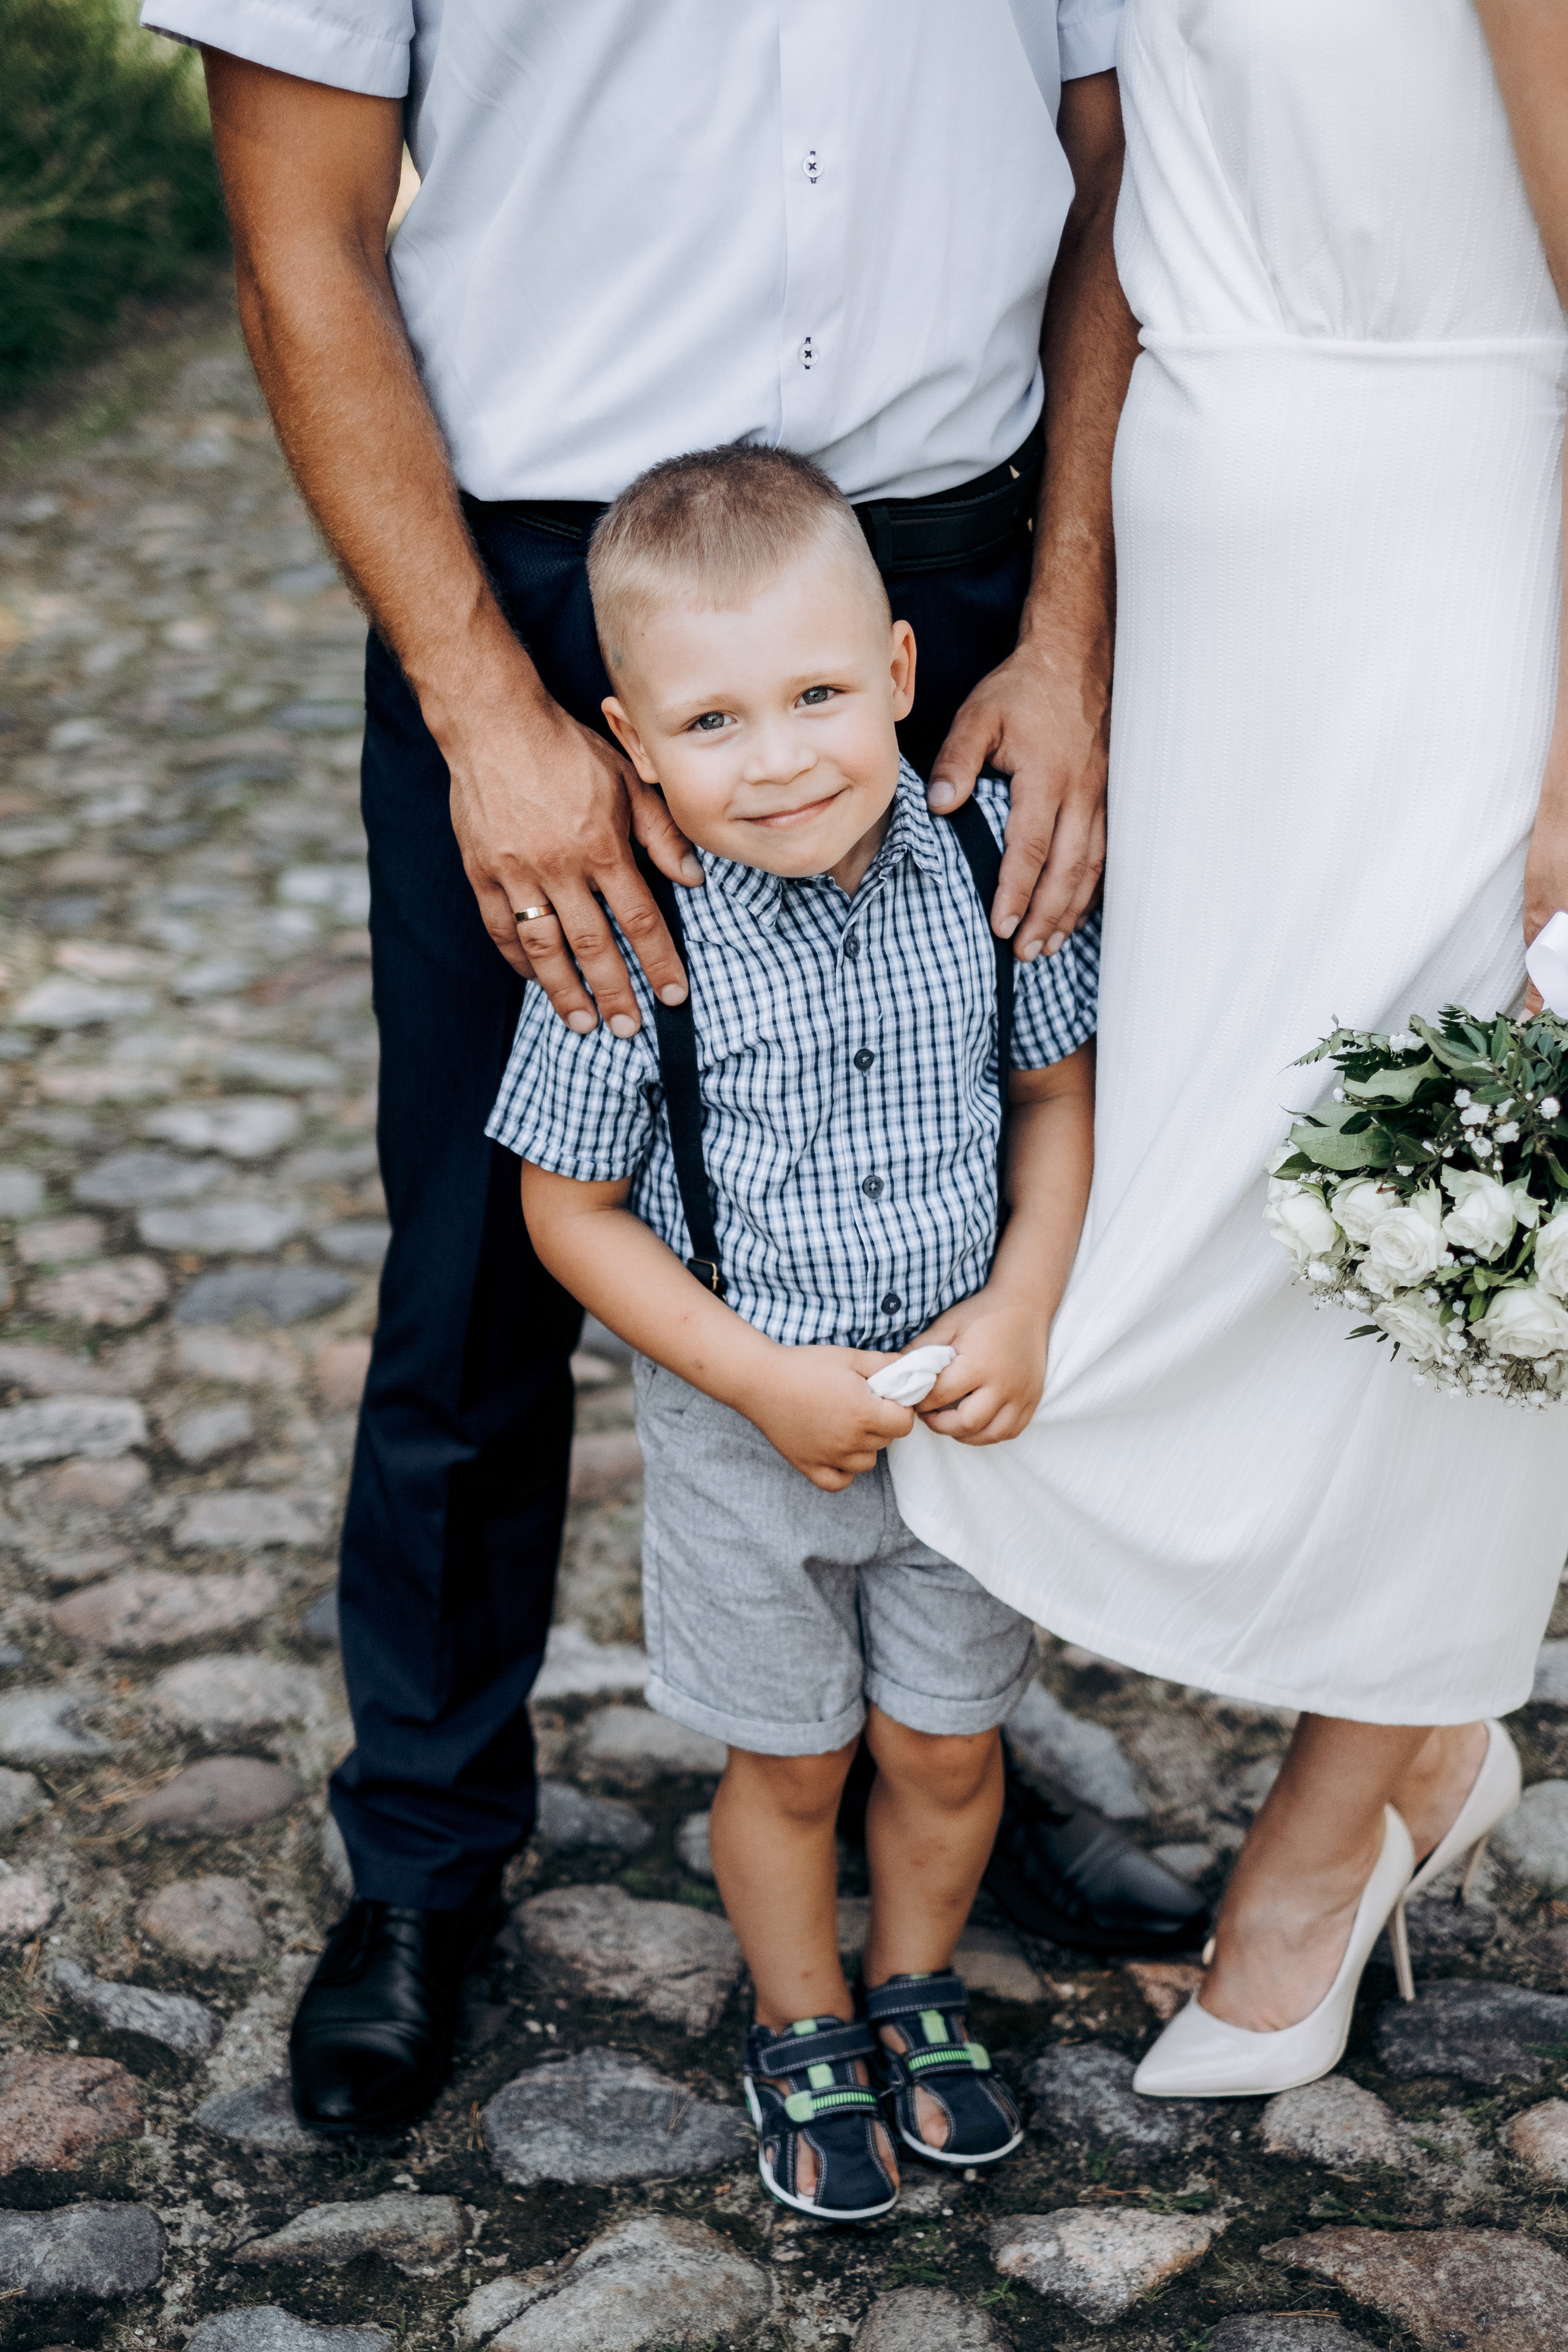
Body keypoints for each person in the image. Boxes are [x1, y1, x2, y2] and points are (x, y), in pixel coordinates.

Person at [138, 0, 1202, 2136]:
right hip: (543, 596)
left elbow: (1111, 175)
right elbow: (302, 241)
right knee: (478, 1246)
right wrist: (478, 697)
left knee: (985, 1187)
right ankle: (428, 1857)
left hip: (948, 571)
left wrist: (1068, 621)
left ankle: (956, 1754)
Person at [889, 0, 1568, 2097]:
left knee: (1440, 1197)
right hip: (1213, 616)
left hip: (1457, 583)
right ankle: (1423, 1734)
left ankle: (1351, 1795)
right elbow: (1122, 196)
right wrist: (1075, 619)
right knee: (1214, 1202)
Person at [497, 443, 1098, 2218]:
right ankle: (803, 2012)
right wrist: (755, 1376)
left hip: (961, 1410)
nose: (775, 760)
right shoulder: (643, 937)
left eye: (820, 695)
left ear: (902, 674)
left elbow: (1057, 1103)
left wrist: (1027, 1301)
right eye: (712, 723)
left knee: (945, 1741)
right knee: (792, 1758)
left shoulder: (989, 871)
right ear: (631, 741)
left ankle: (917, 1984)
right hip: (740, 1428)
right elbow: (565, 1208)